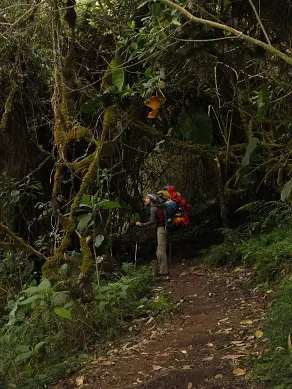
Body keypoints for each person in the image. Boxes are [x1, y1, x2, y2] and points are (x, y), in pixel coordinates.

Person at [136, 194, 168, 276]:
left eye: (147, 198)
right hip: (161, 229)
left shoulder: (153, 208)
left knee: (160, 250)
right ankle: (162, 270)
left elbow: (152, 221)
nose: (145, 200)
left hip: (161, 229)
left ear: (151, 200)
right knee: (160, 250)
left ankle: (164, 271)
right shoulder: (156, 208)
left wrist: (141, 224)